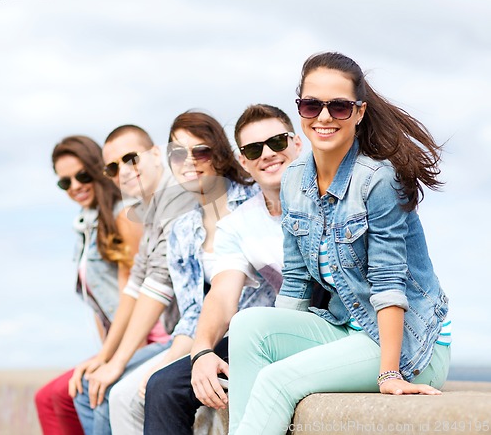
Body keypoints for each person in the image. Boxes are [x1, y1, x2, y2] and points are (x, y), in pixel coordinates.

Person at [227, 51, 452, 434]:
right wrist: (284, 347)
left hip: (409, 345)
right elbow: (296, 282)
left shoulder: (378, 179)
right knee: (248, 326)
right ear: (300, 109)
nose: (324, 117)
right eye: (312, 105)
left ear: (359, 112)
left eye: (340, 107)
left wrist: (390, 373)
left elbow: (388, 283)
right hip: (345, 327)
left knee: (277, 381)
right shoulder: (294, 179)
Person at [143, 104, 304, 434]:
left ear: (297, 143)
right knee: (161, 386)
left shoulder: (329, 196)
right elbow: (218, 296)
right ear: (243, 159)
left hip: (301, 330)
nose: (268, 154)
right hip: (258, 335)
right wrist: (200, 352)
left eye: (277, 142)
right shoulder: (236, 222)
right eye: (255, 149)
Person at [108, 111, 258, 434]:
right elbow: (191, 312)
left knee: (163, 388)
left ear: (218, 153)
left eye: (200, 151)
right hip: (211, 337)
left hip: (255, 330)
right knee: (151, 385)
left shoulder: (254, 201)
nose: (188, 161)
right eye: (177, 153)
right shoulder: (182, 230)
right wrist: (170, 361)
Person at [71, 125, 197, 435]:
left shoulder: (177, 199)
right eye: (112, 168)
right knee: (88, 390)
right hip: (178, 333)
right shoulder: (148, 210)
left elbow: (158, 286)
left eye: (131, 159)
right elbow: (135, 285)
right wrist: (105, 356)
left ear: (156, 154)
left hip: (197, 332)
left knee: (108, 393)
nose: (123, 172)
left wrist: (116, 364)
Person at [35, 135, 142, 435]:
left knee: (78, 393)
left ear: (98, 170)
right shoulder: (87, 225)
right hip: (115, 341)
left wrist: (106, 358)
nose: (75, 187)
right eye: (64, 182)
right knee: (46, 397)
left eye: (82, 176)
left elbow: (133, 293)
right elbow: (98, 306)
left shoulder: (124, 216)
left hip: (141, 336)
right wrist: (101, 353)